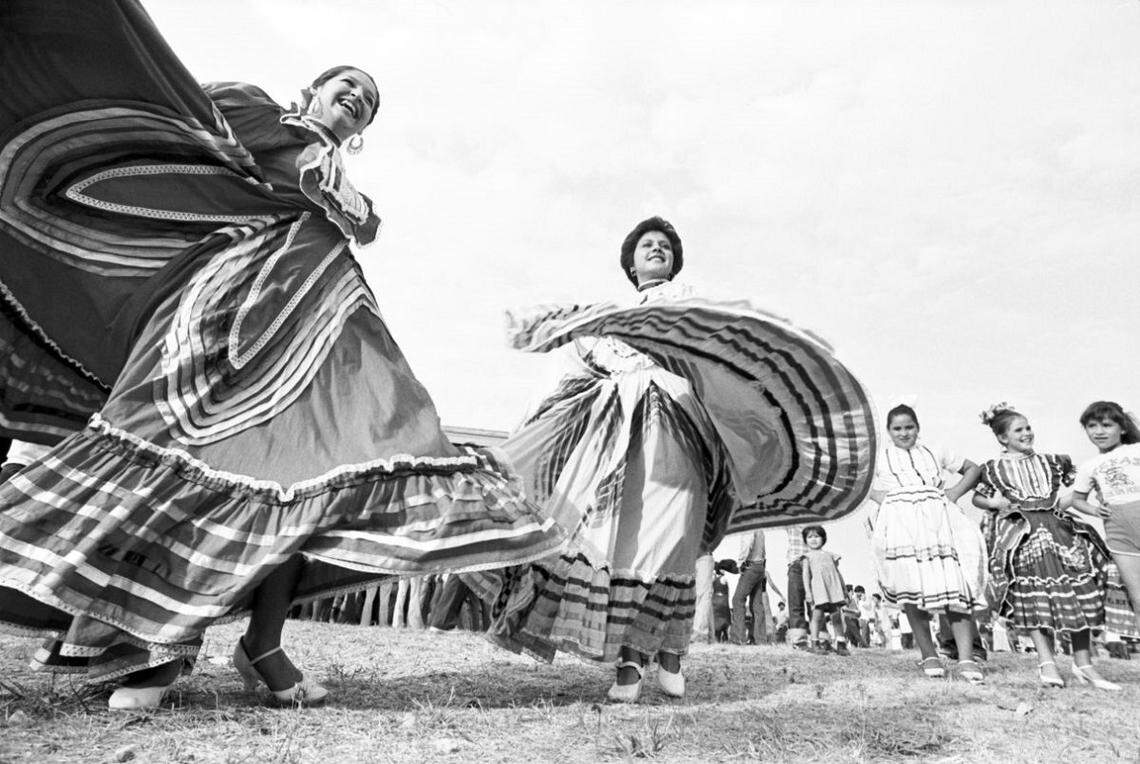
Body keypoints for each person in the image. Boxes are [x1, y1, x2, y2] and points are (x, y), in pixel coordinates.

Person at [0, 1, 564, 711]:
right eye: (346, 85)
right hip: (236, 305)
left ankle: (261, 643)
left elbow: (366, 226)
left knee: (318, 472)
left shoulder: (338, 175)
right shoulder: (261, 114)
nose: (357, 98)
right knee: (203, 455)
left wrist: (333, 193)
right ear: (312, 92)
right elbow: (183, 124)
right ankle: (161, 647)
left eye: (368, 102)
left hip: (330, 323)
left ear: (362, 131)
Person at [465, 216, 876, 703]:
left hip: (678, 420)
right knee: (625, 539)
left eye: (664, 245)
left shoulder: (689, 302)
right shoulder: (607, 319)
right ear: (631, 262)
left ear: (675, 261)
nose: (656, 250)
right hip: (616, 431)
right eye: (646, 245)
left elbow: (726, 346)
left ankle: (669, 650)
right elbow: (574, 372)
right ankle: (630, 659)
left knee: (675, 530)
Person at [972, 404, 1119, 690]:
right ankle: (1046, 661)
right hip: (1023, 533)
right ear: (1003, 438)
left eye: (1028, 427)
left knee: (1080, 589)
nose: (1027, 433)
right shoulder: (993, 468)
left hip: (1059, 528)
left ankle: (1084, 662)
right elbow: (980, 497)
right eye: (1019, 430)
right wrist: (995, 503)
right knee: (1032, 595)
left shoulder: (1052, 462)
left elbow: (1067, 495)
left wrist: (1084, 504)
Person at [868, 404, 987, 683]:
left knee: (954, 583)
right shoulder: (880, 457)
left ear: (917, 428)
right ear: (888, 431)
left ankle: (967, 657)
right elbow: (853, 480)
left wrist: (954, 492)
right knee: (910, 585)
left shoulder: (936, 450)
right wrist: (879, 496)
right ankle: (929, 653)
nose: (904, 433)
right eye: (897, 428)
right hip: (900, 520)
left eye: (909, 427)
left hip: (938, 517)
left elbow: (974, 469)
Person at [1071, 402, 1140, 650]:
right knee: (1137, 597)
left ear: (1122, 428)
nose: (1099, 431)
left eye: (1107, 425)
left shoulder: (1136, 450)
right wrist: (1094, 510)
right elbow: (1078, 500)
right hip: (1119, 534)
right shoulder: (1089, 466)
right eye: (1092, 426)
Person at [801, 526, 850, 655]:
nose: (813, 540)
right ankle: (815, 643)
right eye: (810, 537)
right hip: (819, 590)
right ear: (805, 540)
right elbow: (806, 575)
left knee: (836, 616)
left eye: (816, 536)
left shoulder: (830, 555)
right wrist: (808, 592)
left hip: (833, 589)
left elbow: (838, 573)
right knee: (817, 616)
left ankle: (841, 643)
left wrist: (844, 590)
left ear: (823, 538)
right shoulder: (807, 557)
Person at [731, 530, 770, 645]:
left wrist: (740, 563)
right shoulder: (760, 529)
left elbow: (748, 544)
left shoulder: (748, 528)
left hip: (751, 566)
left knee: (738, 600)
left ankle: (739, 638)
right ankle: (760, 639)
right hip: (760, 566)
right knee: (757, 604)